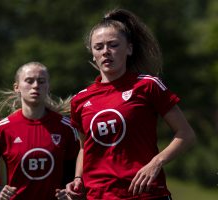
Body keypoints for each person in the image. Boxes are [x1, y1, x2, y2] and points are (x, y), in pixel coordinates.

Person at [66, 8, 196, 200]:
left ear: (129, 48)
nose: (106, 52)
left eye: (113, 45)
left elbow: (186, 134)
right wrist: (78, 178)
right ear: (92, 54)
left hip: (146, 195)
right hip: (99, 196)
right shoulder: (79, 100)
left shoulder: (147, 85)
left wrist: (156, 162)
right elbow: (85, 148)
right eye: (99, 47)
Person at [0, 62, 79, 200]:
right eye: (29, 81)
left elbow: (76, 172)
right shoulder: (2, 129)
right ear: (17, 87)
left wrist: (68, 190)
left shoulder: (66, 128)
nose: (36, 85)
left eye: (41, 81)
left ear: (48, 87)